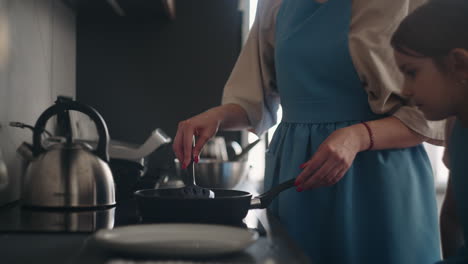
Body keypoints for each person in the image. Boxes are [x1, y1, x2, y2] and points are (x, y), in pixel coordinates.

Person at [173, 0, 446, 263]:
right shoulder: (274, 3)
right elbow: (252, 101)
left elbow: (435, 110)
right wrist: (217, 116)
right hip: (297, 180)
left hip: (382, 180)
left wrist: (358, 136)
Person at [391, 0, 468, 263]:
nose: (405, 90)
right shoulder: (456, 126)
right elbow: (452, 220)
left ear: (459, 64)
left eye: (411, 73)